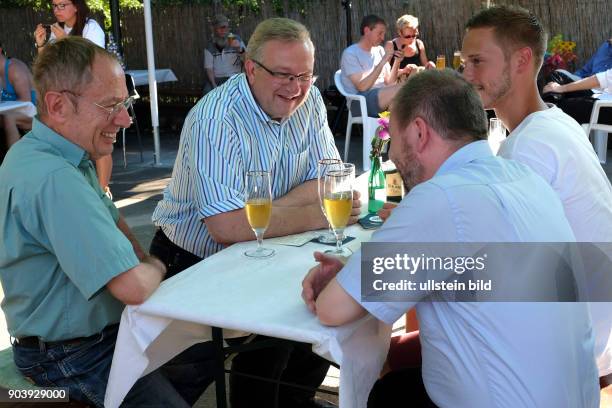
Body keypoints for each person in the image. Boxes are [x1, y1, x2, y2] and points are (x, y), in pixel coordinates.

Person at [302, 69, 600, 408]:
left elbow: (332, 309)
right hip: (574, 396)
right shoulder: (525, 178)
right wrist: (357, 272)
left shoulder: (440, 198)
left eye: (393, 140)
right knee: (399, 382)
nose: (392, 156)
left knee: (386, 393)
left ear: (418, 132)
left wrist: (345, 280)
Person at [151, 17, 360, 408]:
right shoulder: (216, 118)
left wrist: (262, 213)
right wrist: (317, 213)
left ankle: (292, 401)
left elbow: (331, 182)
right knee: (185, 382)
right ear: (250, 67)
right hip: (192, 261)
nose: (295, 88)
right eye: (283, 74)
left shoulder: (309, 100)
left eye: (305, 75)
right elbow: (225, 226)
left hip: (273, 246)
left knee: (307, 322)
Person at [0, 36, 216, 408]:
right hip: (69, 358)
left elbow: (115, 223)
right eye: (111, 106)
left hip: (89, 341)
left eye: (126, 103)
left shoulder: (58, 155)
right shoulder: (54, 176)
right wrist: (159, 264)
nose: (126, 118)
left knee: (203, 351)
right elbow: (134, 288)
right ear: (57, 105)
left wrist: (143, 265)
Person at [462, 4, 612, 394]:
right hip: (595, 335)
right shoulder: (559, 123)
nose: (466, 75)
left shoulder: (528, 148)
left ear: (521, 61)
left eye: (477, 61)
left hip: (566, 357)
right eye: (465, 63)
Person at [34, 0, 112, 198]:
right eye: (54, 6)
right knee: (70, 140)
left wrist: (65, 41)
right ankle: (76, 187)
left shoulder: (90, 28)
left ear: (76, 6)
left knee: (99, 140)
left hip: (92, 92)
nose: (57, 10)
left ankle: (103, 192)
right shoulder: (56, 30)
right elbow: (49, 66)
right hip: (67, 94)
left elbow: (93, 62)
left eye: (62, 5)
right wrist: (42, 44)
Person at [340, 15, 403, 117]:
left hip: (381, 96)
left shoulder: (379, 50)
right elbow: (362, 87)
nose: (382, 38)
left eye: (383, 34)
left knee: (411, 89)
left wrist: (397, 61)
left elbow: (390, 82)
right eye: (380, 33)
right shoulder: (350, 53)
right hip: (360, 102)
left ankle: (391, 129)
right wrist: (382, 61)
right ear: (367, 31)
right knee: (405, 89)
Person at [543, 67, 612, 125]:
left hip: (607, 106)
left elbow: (600, 80)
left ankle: (545, 118)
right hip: (601, 96)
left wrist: (560, 88)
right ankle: (546, 115)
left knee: (560, 106)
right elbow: (603, 79)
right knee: (557, 75)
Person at [0, 41, 36, 149]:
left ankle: (14, 160)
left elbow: (26, 102)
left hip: (37, 114)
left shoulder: (14, 69)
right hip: (18, 115)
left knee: (8, 118)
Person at [204, 14, 246, 90]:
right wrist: (214, 85)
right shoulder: (210, 45)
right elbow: (209, 68)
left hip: (235, 78)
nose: (223, 30)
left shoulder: (236, 39)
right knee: (207, 94)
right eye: (220, 28)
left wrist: (239, 49)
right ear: (214, 29)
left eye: (225, 27)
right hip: (217, 79)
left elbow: (247, 60)